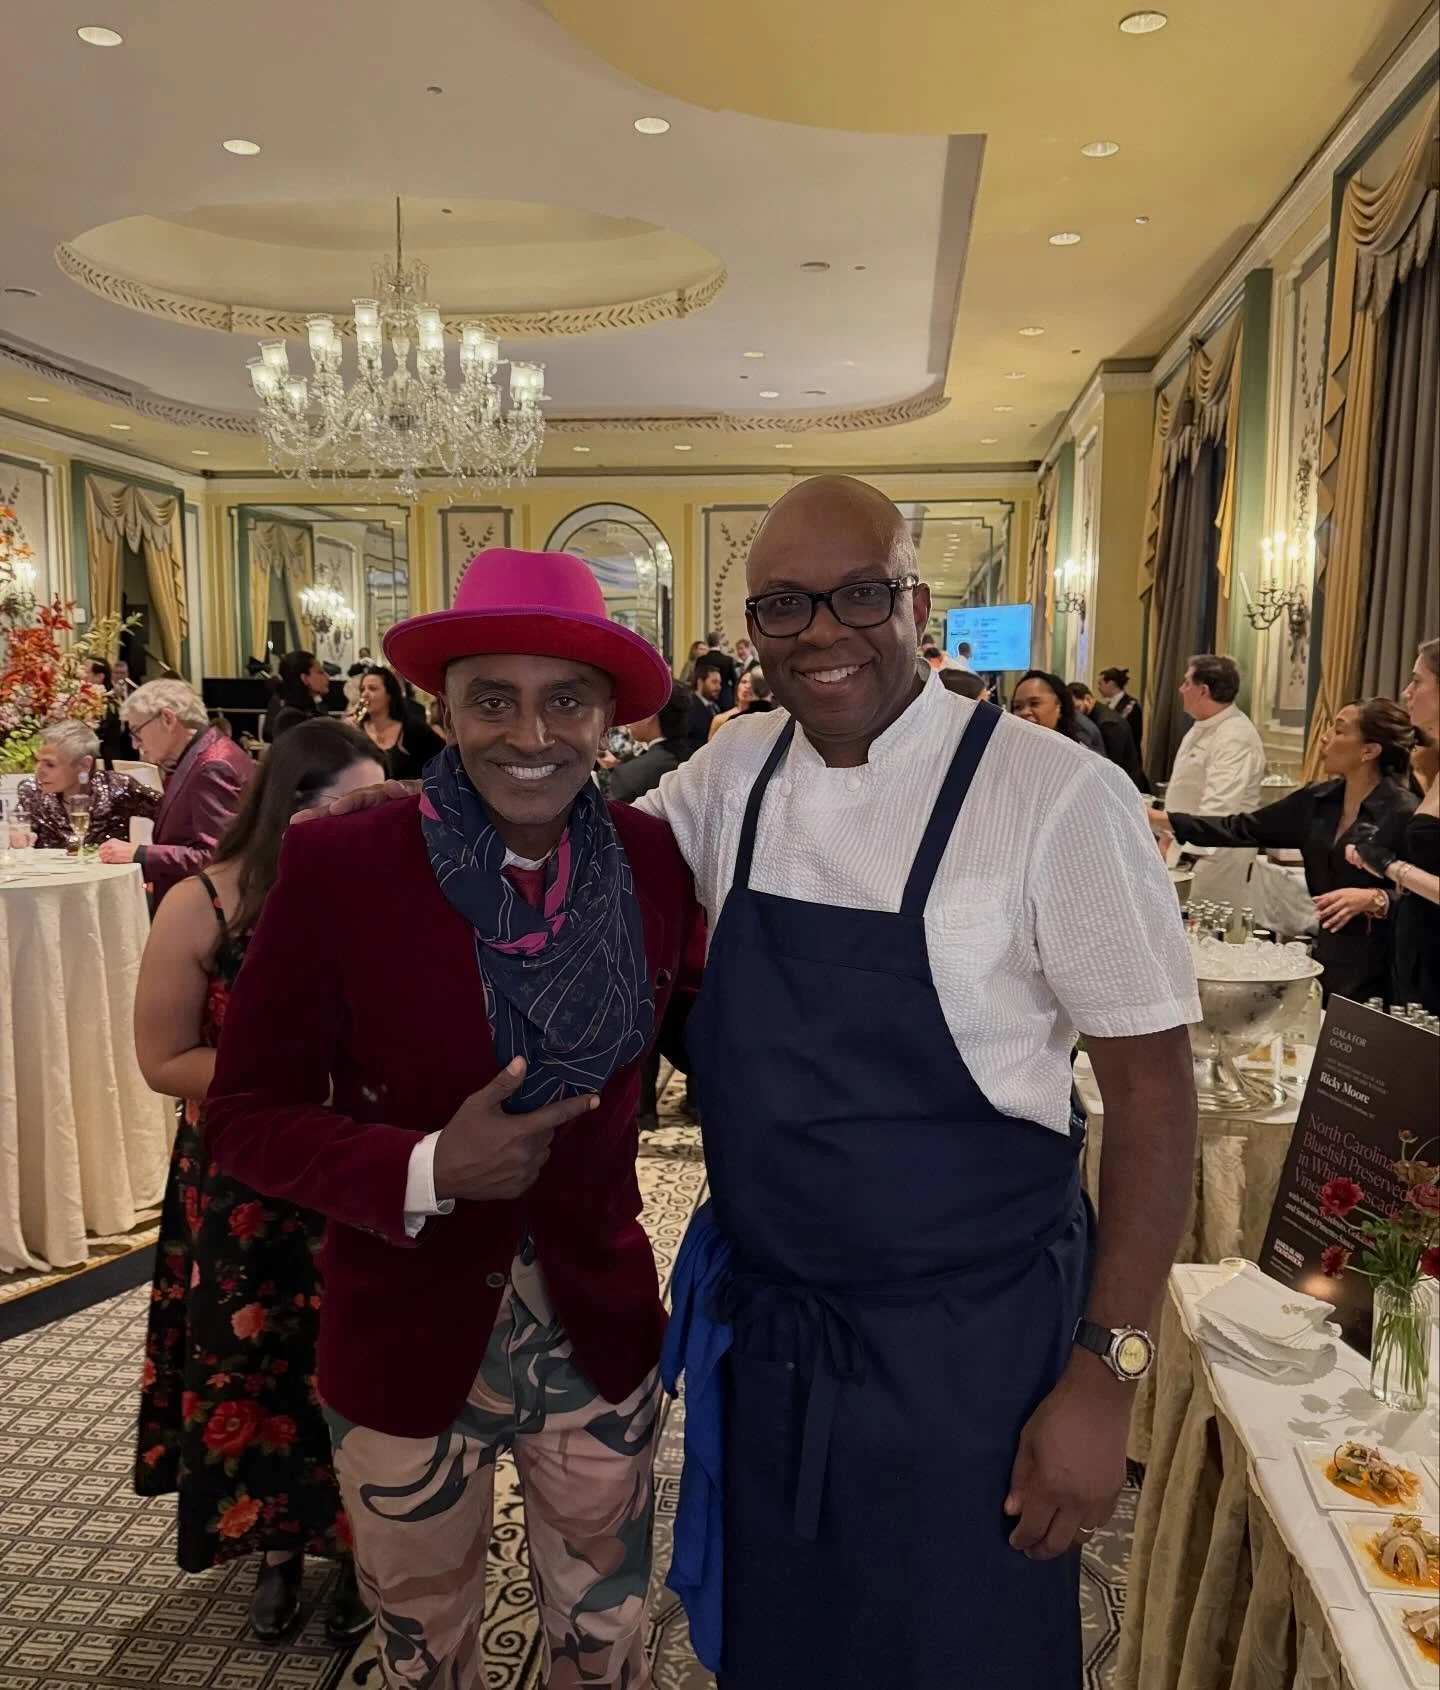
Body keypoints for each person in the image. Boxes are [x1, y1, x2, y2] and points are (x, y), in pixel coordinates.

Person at [640, 477, 1198, 1688]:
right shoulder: (735, 769)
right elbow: (596, 859)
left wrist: (1107, 1376)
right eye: (784, 605)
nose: (820, 632)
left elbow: (1157, 1096)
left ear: (919, 604)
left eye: (860, 594)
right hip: (776, 1341)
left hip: (972, 1361)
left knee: (959, 1654)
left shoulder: (1056, 796)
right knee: (789, 1651)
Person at [204, 549, 706, 1687]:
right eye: (493, 699)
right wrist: (428, 1166)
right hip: (403, 1333)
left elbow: (702, 1032)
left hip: (597, 1332)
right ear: (444, 711)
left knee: (606, 1642)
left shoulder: (652, 862)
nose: (530, 733)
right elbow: (244, 1115)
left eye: (566, 700)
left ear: (609, 720)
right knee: (423, 1653)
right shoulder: (343, 864)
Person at [133, 719, 385, 1642]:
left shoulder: (371, 892)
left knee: (352, 1365)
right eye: (349, 806)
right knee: (254, 1364)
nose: (365, 823)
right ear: (293, 806)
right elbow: (163, 1058)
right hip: (243, 1182)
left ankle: (361, 1550)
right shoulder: (204, 899)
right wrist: (297, 1084)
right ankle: (274, 1551)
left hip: (349, 1164)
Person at [1151, 699, 1416, 1003]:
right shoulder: (1317, 801)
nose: (1325, 737)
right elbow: (1241, 827)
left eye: (1339, 731)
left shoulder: (1404, 812)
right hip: (1330, 953)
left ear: (1369, 751)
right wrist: (1160, 819)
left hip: (1386, 963)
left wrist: (1378, 898)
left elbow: (1425, 898)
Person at [99, 680, 254, 905]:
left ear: (167, 719)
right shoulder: (203, 753)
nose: (135, 744)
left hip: (206, 907)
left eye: (137, 731)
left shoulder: (212, 766)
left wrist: (139, 854)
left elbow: (216, 857)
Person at [1348, 640, 1440, 1013]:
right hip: (1417, 944)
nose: (1406, 692)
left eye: (1417, 681)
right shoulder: (1434, 766)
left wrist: (1390, 866)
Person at [16, 720, 159, 848]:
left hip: (105, 869)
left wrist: (145, 853)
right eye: (38, 761)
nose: (39, 772)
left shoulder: (118, 788)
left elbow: (166, 813)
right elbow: (19, 830)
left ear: (84, 765)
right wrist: (20, 838)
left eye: (50, 764)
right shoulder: (32, 792)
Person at [607, 682, 696, 804]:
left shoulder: (628, 775)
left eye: (634, 710)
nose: (628, 722)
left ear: (650, 715)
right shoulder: (698, 761)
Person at [354, 664, 444, 780]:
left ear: (389, 694)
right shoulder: (356, 731)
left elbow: (442, 758)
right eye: (362, 689)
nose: (364, 694)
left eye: (372, 689)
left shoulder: (412, 729)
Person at [1070, 682, 1146, 791]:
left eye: (1077, 708)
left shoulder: (1109, 724)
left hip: (1125, 786)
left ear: (1087, 699)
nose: (1075, 715)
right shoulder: (1100, 716)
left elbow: (1112, 764)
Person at [1012, 669, 1104, 753]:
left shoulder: (1080, 754)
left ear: (1059, 707)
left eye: (1034, 703)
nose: (1024, 712)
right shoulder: (1013, 751)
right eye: (1017, 707)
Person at [263, 649, 332, 742]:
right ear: (305, 678)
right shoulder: (290, 718)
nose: (327, 677)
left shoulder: (314, 707)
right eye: (320, 672)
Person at [87, 657, 135, 763]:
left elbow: (100, 732)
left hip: (105, 759)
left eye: (87, 672)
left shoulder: (107, 700)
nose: (83, 675)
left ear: (100, 677)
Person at [1097, 666, 1142, 757]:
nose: (1098, 688)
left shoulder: (1131, 705)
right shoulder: (1108, 705)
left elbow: (1135, 735)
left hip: (1126, 756)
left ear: (1111, 683)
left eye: (1100, 684)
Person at [688, 660, 724, 752]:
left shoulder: (714, 706)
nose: (719, 687)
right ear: (700, 682)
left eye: (719, 683)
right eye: (714, 682)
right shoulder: (689, 706)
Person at [702, 630, 739, 710]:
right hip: (725, 698)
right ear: (719, 643)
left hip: (705, 697)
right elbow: (735, 681)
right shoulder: (728, 660)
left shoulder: (701, 660)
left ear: (708, 643)